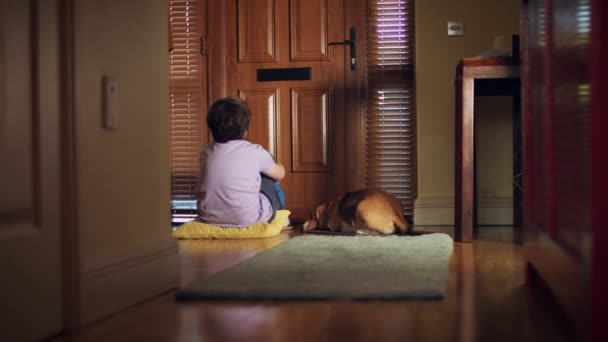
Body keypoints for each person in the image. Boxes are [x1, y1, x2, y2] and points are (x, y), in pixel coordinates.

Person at [196, 96, 286, 227]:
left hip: (208, 217)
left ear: (211, 129)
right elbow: (280, 175)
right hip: (247, 218)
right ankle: (282, 217)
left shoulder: (205, 152)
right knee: (267, 172)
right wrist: (280, 166)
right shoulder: (255, 151)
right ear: (245, 131)